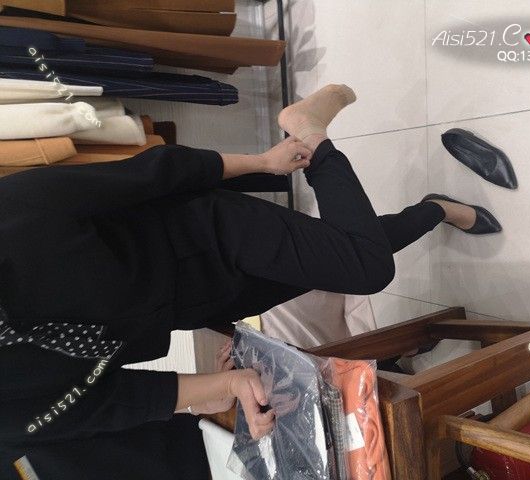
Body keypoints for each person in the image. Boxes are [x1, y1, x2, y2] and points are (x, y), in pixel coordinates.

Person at [0, 85, 500, 479]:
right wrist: (225, 384)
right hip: (196, 304)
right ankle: (434, 210)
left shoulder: (10, 219)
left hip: (204, 230)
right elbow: (107, 401)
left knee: (364, 268)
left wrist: (262, 163)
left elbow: (146, 176)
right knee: (336, 258)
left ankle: (311, 132)